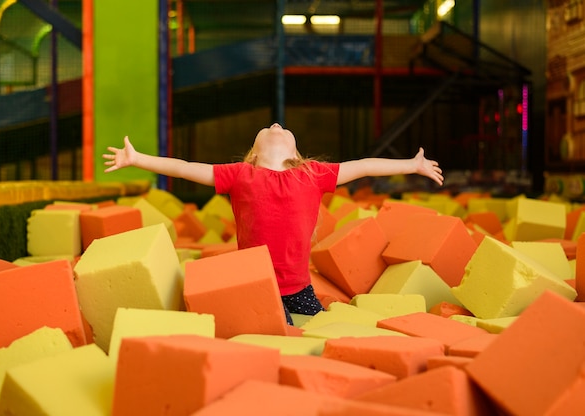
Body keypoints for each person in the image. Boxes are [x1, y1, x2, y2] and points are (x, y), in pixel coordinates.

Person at [103, 123, 443, 325]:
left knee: (322, 328)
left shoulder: (313, 173)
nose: (276, 126)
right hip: (256, 284)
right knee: (277, 334)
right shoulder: (240, 174)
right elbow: (184, 166)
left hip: (300, 287)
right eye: (268, 129)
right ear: (252, 153)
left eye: (281, 128)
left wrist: (412, 165)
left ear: (297, 153)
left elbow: (365, 165)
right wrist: (137, 159)